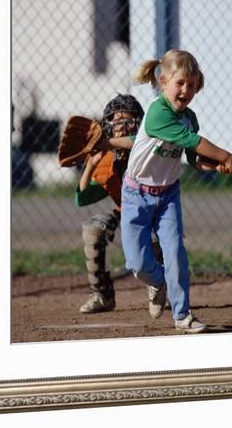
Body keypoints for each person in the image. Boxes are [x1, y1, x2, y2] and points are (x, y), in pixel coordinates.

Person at [120, 49, 232, 333]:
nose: (186, 90)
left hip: (167, 195)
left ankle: (182, 315)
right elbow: (193, 140)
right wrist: (227, 155)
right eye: (180, 83)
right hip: (135, 194)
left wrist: (217, 166)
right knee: (138, 263)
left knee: (175, 251)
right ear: (163, 82)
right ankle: (157, 281)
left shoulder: (190, 117)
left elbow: (195, 159)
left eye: (191, 85)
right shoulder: (156, 113)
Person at [75, 94, 146, 314]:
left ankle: (167, 289)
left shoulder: (146, 149)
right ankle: (102, 294)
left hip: (152, 212)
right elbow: (82, 197)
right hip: (124, 211)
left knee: (154, 242)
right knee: (93, 229)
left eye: (129, 122)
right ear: (108, 126)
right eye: (117, 122)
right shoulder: (105, 156)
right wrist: (91, 164)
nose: (122, 127)